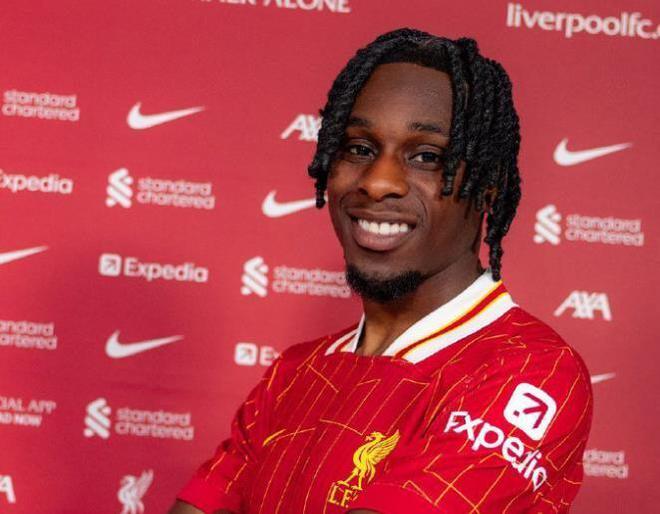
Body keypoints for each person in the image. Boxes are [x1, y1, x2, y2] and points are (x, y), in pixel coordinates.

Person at [169, 28, 593, 514]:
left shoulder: (532, 370)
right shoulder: (295, 371)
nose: (378, 182)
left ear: (488, 188)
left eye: (427, 157)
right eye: (360, 148)